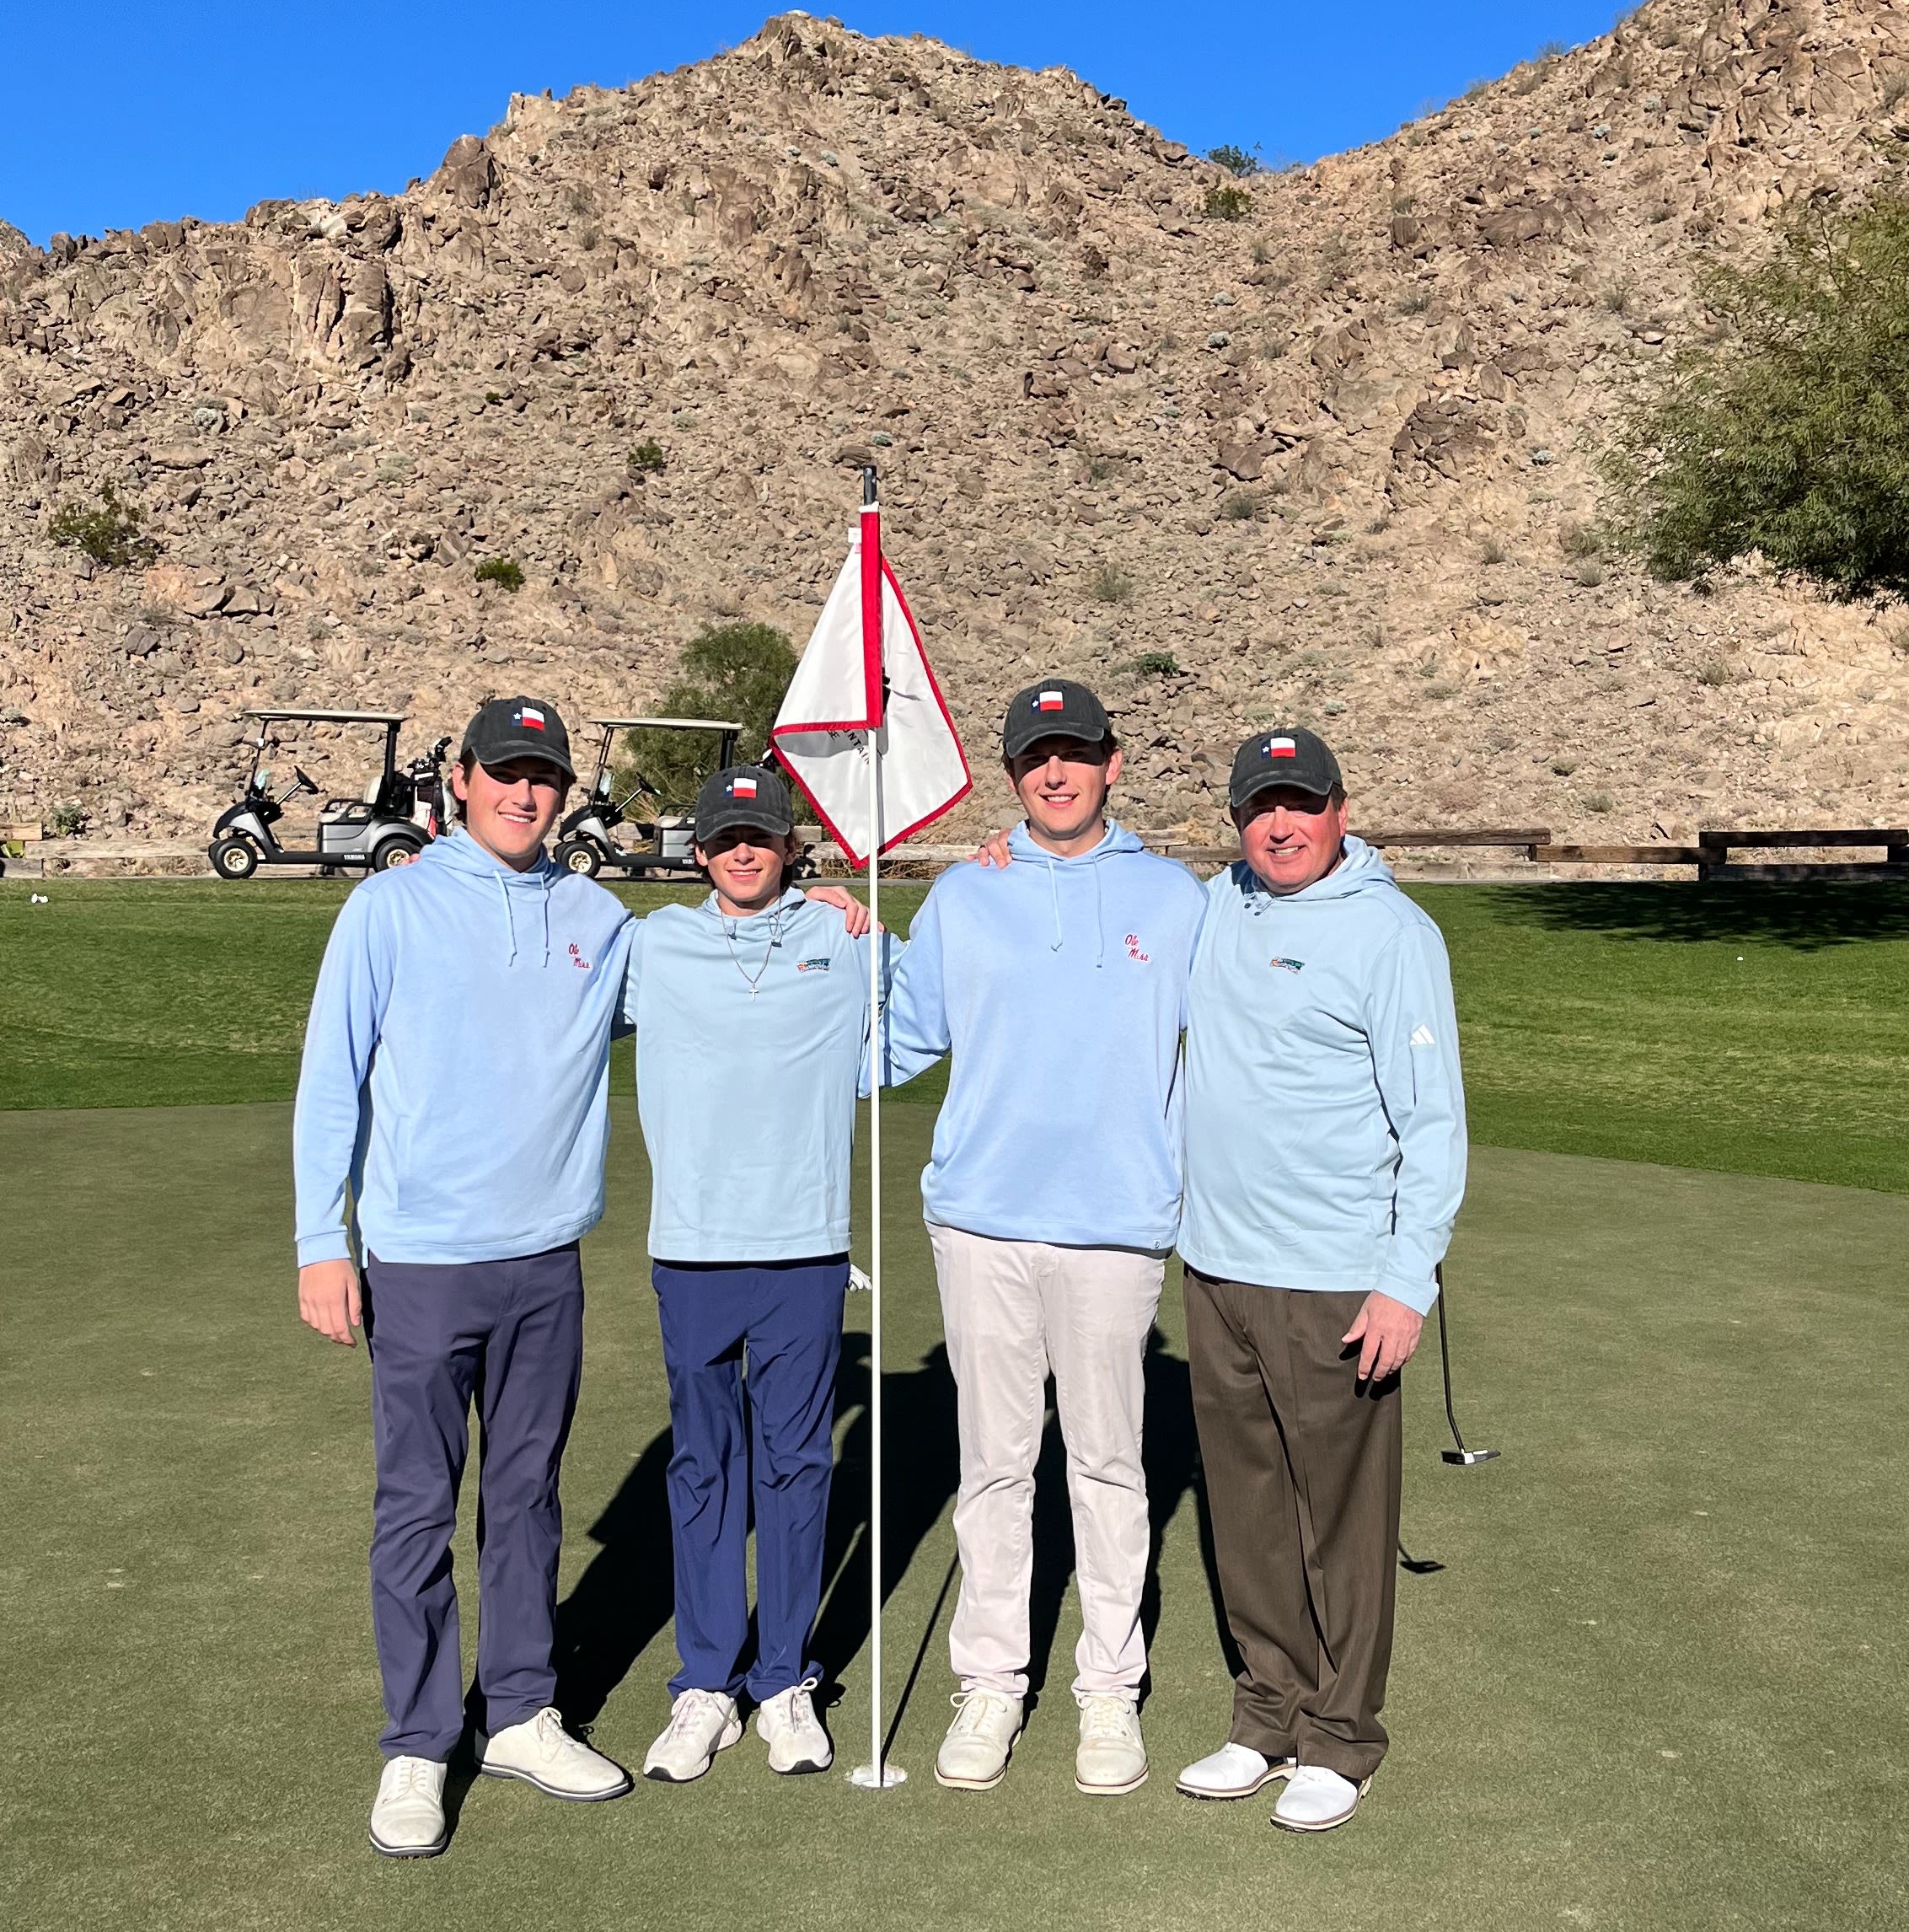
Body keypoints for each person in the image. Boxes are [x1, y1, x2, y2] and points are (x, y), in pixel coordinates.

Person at [292, 695, 636, 1859]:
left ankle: (524, 1712)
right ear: (460, 774)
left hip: (547, 1261)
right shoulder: (388, 905)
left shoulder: (598, 916)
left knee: (529, 1499)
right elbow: (332, 1080)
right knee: (417, 1508)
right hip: (423, 1262)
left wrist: (820, 912)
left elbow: (707, 973)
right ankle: (418, 1743)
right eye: (505, 772)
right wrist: (318, 1241)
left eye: (543, 775)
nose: (524, 793)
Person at [881, 678, 1208, 1797]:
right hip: (982, 1221)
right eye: (1035, 758)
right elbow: (895, 1043)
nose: (1055, 773)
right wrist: (831, 936)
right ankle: (991, 1682)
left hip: (1118, 1226)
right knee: (995, 1467)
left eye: (1075, 753)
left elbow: (1233, 1043)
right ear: (1012, 772)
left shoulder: (1176, 899)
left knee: (1113, 1468)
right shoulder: (965, 897)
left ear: (1112, 761)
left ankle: (1109, 1691)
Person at [1172, 726, 1467, 1835]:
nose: (1280, 825)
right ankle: (1268, 1713)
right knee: (1247, 1509)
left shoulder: (1393, 934)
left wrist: (1406, 1282)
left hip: (1338, 1276)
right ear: (1238, 817)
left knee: (1338, 1519)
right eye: (1261, 807)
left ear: (1340, 808)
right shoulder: (1217, 905)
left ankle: (1342, 1736)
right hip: (1218, 1264)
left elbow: (1433, 1124)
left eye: (1299, 803)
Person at [621, 762, 882, 1785]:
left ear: (789, 847)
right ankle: (705, 1682)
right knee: (703, 1468)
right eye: (727, 837)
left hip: (805, 1248)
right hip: (692, 1250)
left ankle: (782, 1681)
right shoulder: (654, 945)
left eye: (762, 836)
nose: (744, 850)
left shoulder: (840, 937)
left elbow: (921, 1016)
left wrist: (871, 911)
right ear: (699, 851)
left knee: (798, 1467)